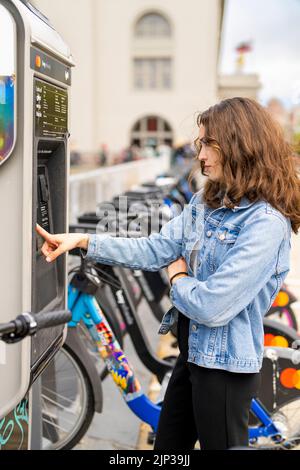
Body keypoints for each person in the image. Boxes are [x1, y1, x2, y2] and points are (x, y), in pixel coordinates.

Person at [36, 97, 300, 450]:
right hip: (191, 354)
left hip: (224, 370)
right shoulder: (206, 202)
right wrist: (83, 240)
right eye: (200, 144)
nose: (200, 155)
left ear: (239, 146)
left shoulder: (265, 224)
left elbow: (211, 306)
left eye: (208, 143)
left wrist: (177, 277)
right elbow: (155, 248)